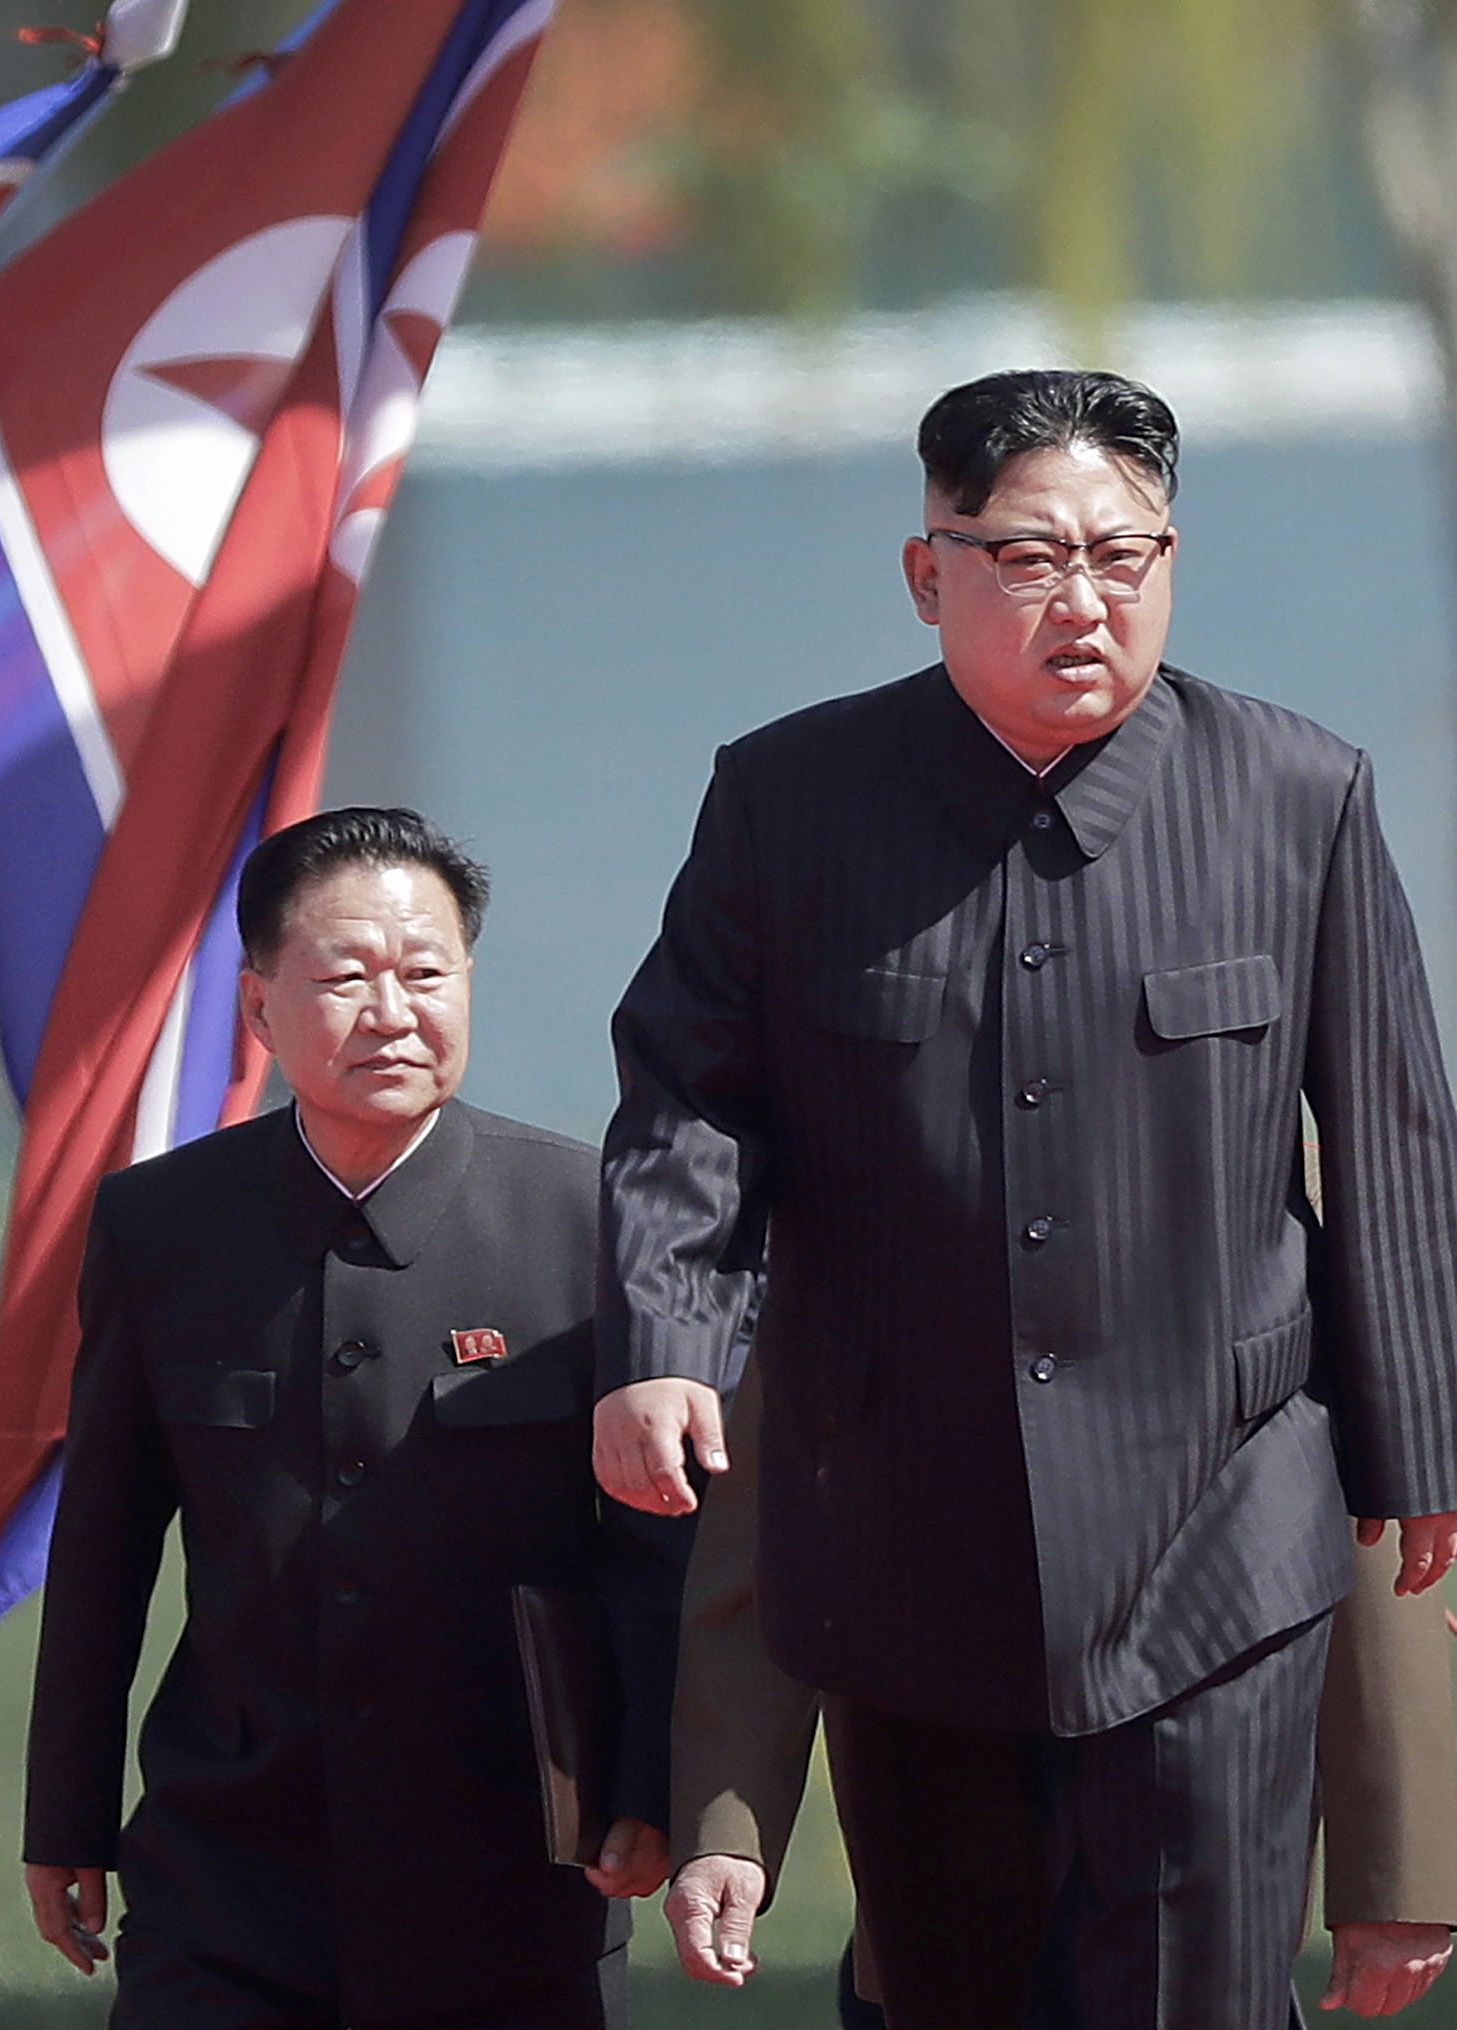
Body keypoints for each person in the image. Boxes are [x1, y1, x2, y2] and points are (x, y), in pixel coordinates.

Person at [592, 367, 1457, 2027]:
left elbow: (1397, 1138)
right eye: (1033, 560)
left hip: (1222, 1526)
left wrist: (1419, 1450)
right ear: (929, 575)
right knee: (950, 1991)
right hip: (905, 1531)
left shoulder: (1296, 795)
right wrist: (661, 1341)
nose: (1086, 600)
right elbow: (691, 1103)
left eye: (1124, 558)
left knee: (1195, 1992)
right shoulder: (789, 804)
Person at [23, 806, 691, 2028]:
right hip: (230, 1868)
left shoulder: (588, 1219)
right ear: (260, 1009)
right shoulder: (163, 1227)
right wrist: (65, 1815)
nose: (392, 1010)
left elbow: (655, 1543)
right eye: (344, 977)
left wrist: (653, 1780)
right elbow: (104, 1545)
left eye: (425, 972)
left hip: (510, 1872)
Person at [665, 1362, 1457, 2023]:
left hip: (1201, 1806)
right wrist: (727, 1827)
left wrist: (1397, 1865)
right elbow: (774, 1506)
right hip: (938, 1818)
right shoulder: (859, 1180)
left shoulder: (1250, 1177)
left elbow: (1365, 1475)